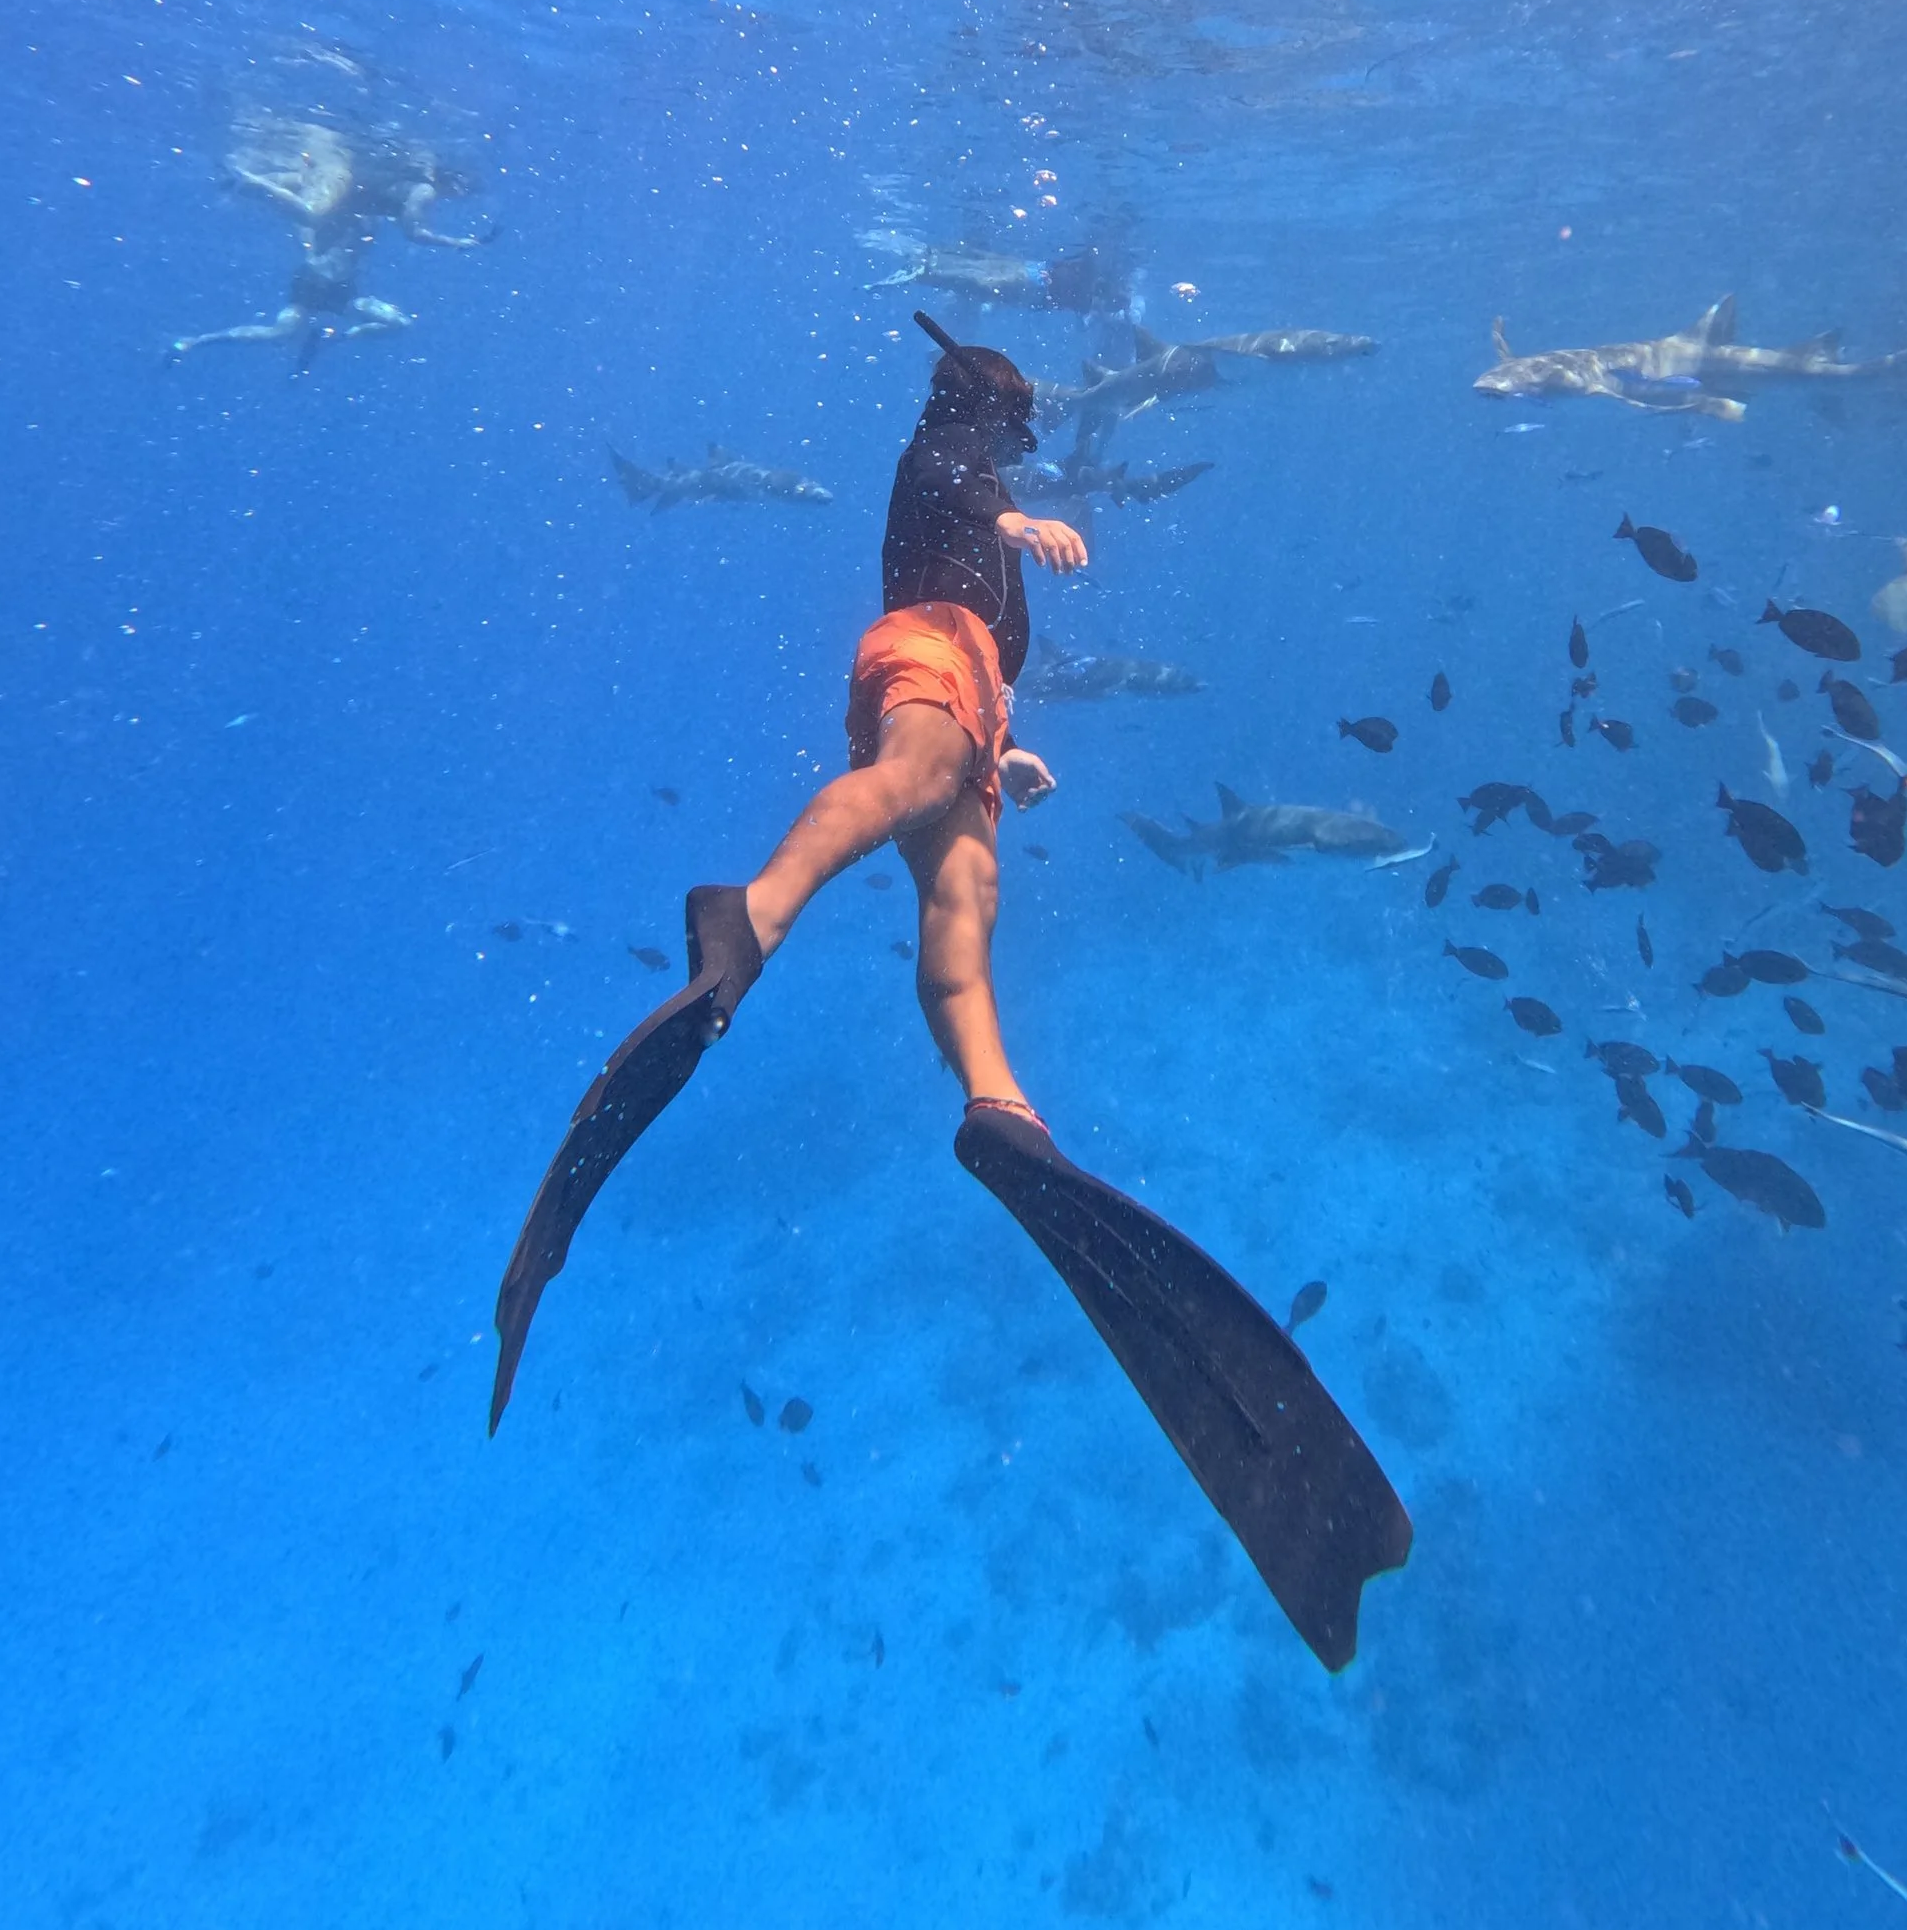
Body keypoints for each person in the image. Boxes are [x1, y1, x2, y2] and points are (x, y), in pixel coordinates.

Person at [486, 317, 1414, 1673]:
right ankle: (744, 915)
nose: (1018, 436)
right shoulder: (950, 446)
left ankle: (999, 1109)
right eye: (1018, 420)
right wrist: (1021, 516)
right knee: (908, 788)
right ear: (998, 411)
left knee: (963, 920)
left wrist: (1013, 747)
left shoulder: (970, 476)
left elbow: (973, 576)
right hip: (924, 660)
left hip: (967, 697)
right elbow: (954, 490)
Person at [169, 112, 494, 367]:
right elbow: (412, 231)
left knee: (397, 324)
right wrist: (458, 243)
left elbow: (305, 191)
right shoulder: (365, 203)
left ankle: (328, 338)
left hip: (342, 286)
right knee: (280, 330)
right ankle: (198, 340)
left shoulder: (373, 209)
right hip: (316, 279)